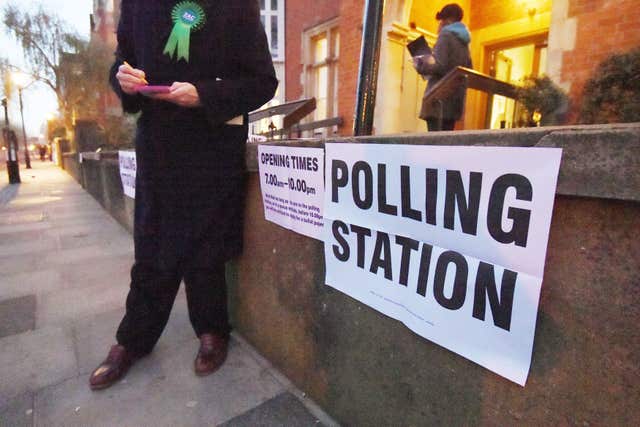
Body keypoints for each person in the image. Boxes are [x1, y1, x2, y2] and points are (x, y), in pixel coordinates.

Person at [89, 0, 278, 390]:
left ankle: (212, 331)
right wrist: (121, 79)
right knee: (152, 244)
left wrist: (205, 95)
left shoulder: (237, 5)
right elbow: (121, 62)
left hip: (214, 141)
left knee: (207, 246)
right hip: (158, 141)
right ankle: (134, 339)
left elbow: (262, 81)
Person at [413, 3, 472, 131]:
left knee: (434, 144)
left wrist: (420, 64)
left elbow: (439, 65)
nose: (439, 24)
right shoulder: (464, 41)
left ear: (447, 20)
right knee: (444, 143)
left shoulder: (446, 35)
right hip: (454, 102)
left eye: (441, 21)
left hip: (438, 101)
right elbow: (469, 68)